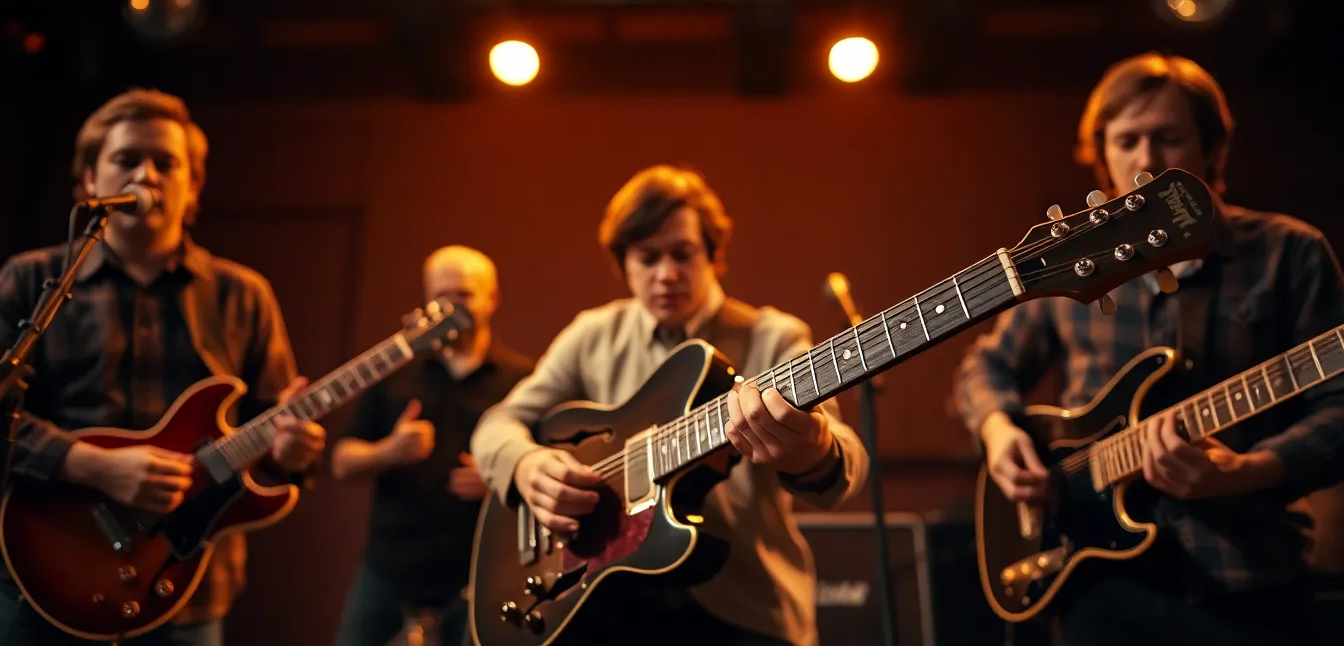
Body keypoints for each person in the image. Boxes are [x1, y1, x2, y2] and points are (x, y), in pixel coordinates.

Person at [954, 52, 1344, 645]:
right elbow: (985, 366)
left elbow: (1339, 410)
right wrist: (998, 432)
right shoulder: (1074, 266)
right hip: (1100, 588)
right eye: (1127, 140)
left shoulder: (1289, 253)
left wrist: (1247, 471)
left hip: (1249, 576)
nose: (1146, 160)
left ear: (1212, 149)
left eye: (1168, 138)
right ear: (1103, 155)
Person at [470, 165, 869, 646]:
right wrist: (525, 464)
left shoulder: (772, 336)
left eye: (683, 254)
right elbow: (499, 422)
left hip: (745, 606)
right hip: (608, 611)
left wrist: (814, 450)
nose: (667, 274)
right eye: (647, 257)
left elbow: (846, 465)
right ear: (624, 265)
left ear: (715, 257)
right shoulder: (592, 335)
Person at [0, 89, 326, 646]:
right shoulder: (31, 280)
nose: (146, 174)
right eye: (126, 160)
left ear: (193, 187)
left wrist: (292, 452)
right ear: (88, 182)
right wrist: (89, 466)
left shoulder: (242, 295)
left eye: (166, 163)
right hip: (44, 576)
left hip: (184, 590)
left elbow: (275, 439)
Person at [331, 245, 534, 646]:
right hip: (389, 571)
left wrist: (500, 478)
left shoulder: (524, 381)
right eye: (439, 296)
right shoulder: (393, 372)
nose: (448, 308)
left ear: (492, 299)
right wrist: (388, 451)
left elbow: (546, 467)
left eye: (462, 295)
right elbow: (341, 461)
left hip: (480, 576)